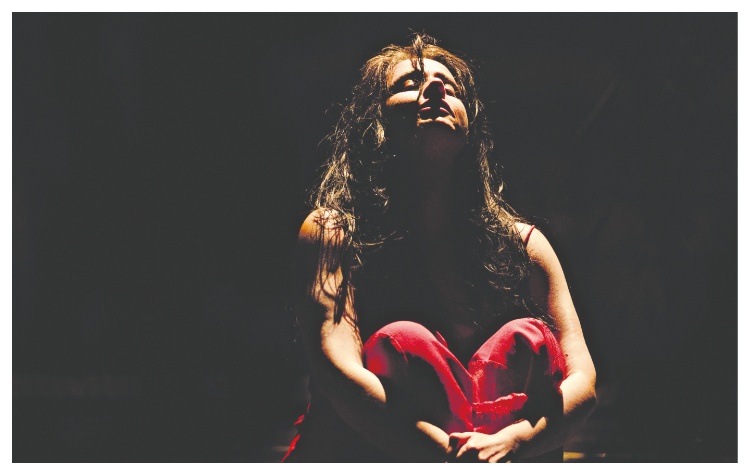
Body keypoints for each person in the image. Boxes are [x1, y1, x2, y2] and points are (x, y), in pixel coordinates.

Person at [282, 33, 597, 463]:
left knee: (526, 339)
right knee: (405, 341)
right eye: (408, 84)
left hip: (503, 459)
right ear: (373, 122)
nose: (434, 88)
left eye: (449, 86)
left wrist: (517, 440)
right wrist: (448, 454)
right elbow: (338, 375)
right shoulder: (333, 234)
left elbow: (583, 382)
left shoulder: (524, 247)